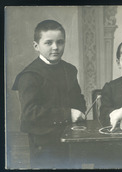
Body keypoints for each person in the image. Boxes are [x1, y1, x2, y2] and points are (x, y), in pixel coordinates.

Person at [12, 20, 86, 169]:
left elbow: (78, 100)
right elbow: (30, 113)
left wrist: (80, 112)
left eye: (60, 42)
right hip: (44, 144)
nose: (55, 47)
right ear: (36, 46)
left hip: (71, 141)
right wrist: (68, 115)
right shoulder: (30, 75)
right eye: (48, 43)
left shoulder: (69, 70)